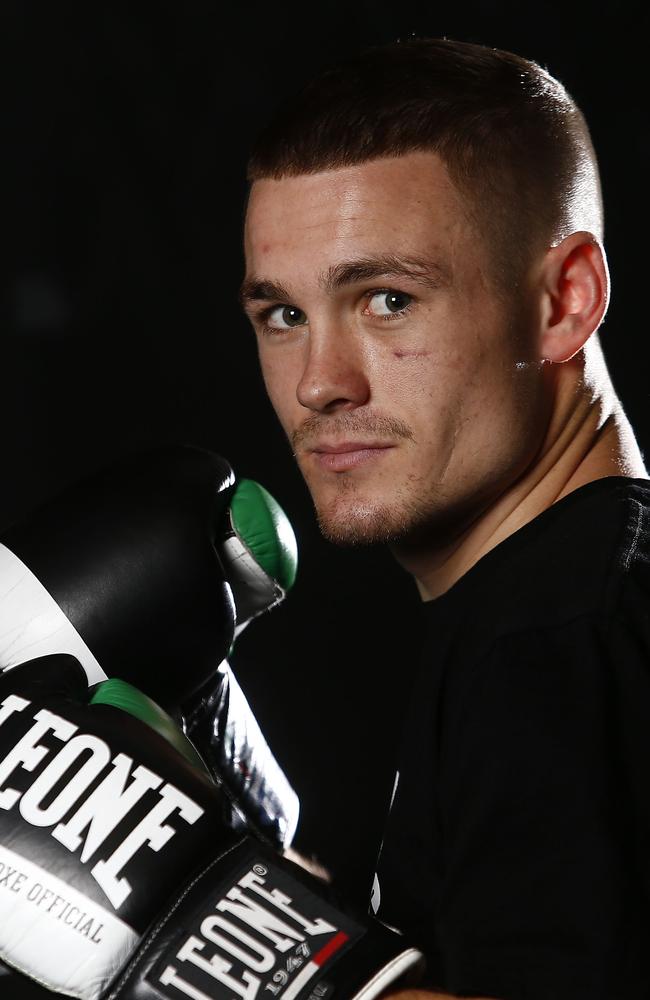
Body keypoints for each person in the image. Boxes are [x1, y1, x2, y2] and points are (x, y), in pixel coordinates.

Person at [239, 35, 650, 1000]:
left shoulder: (549, 640)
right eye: (283, 315)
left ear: (565, 301)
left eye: (387, 299)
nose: (319, 385)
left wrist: (226, 951)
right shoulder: (580, 602)